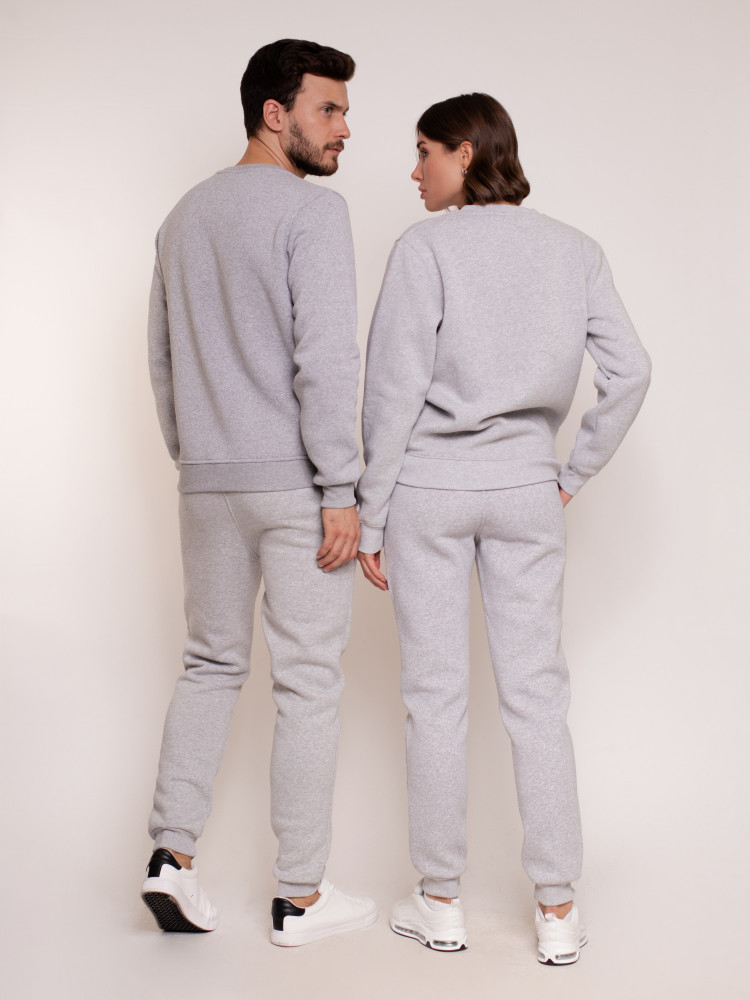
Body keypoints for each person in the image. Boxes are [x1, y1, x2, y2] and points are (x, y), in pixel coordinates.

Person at [356, 93, 651, 964]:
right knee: (537, 700)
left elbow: (392, 390)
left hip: (429, 494)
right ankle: (557, 909)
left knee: (434, 697)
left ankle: (440, 900)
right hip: (527, 491)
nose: (414, 172)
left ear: (466, 151)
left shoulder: (424, 249)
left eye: (424, 152)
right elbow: (632, 371)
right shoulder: (574, 249)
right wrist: (570, 474)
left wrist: (370, 516)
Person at [141, 38, 377, 946]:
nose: (345, 129)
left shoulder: (182, 216)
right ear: (275, 114)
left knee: (209, 666)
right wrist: (340, 486)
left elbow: (162, 360)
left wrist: (198, 456)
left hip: (206, 484)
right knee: (308, 683)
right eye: (329, 109)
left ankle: (171, 858)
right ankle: (299, 900)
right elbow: (327, 359)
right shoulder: (313, 212)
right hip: (296, 487)